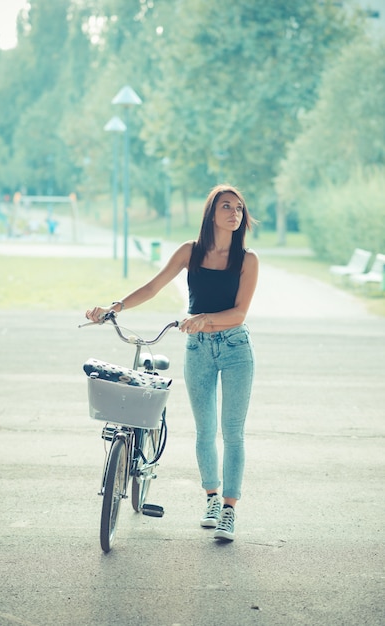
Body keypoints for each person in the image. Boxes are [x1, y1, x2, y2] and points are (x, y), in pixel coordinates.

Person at [86, 184, 258, 541]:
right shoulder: (189, 252)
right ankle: (211, 499)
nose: (234, 213)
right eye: (227, 206)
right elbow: (152, 288)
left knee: (233, 432)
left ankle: (229, 509)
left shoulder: (247, 259)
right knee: (205, 430)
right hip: (198, 349)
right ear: (212, 213)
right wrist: (113, 307)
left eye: (239, 208)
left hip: (235, 349)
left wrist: (204, 318)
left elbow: (239, 314)